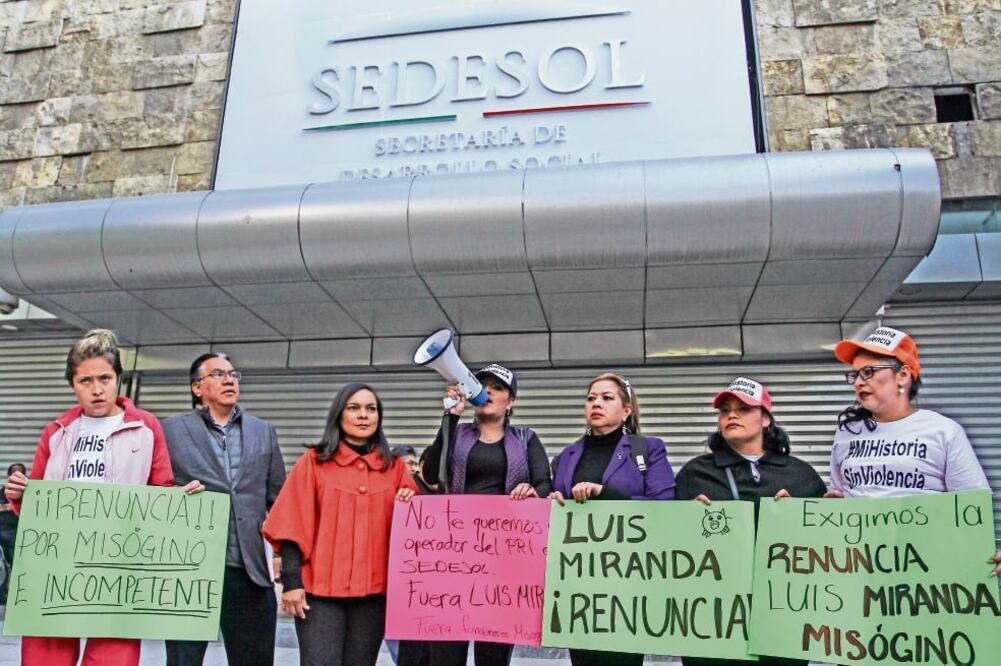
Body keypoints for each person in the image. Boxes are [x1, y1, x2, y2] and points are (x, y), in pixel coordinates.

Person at [3, 329, 198, 666]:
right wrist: (18, 494)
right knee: (44, 658)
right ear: (73, 384)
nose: (96, 389)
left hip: (120, 567)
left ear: (118, 378)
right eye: (85, 380)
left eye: (105, 378)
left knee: (113, 658)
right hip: (55, 567)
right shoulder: (56, 432)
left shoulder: (147, 428)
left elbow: (160, 491)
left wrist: (180, 502)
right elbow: (35, 504)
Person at [263, 383, 417, 666]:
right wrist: (292, 584)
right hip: (319, 596)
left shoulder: (395, 468)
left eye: (371, 409)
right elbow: (291, 525)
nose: (363, 415)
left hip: (375, 596)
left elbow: (417, 531)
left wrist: (409, 500)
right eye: (354, 408)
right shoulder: (313, 462)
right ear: (339, 415)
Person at [674, 377, 825, 666]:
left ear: (766, 419)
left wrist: (805, 518)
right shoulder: (694, 474)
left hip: (783, 622)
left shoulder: (801, 475)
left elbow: (824, 550)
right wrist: (686, 521)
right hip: (715, 623)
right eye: (725, 410)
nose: (731, 415)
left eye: (743, 408)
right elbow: (669, 546)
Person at [828, 326, 1001, 575]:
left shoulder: (943, 431)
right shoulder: (846, 434)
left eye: (868, 372)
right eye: (854, 375)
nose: (858, 382)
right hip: (860, 569)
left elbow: (972, 507)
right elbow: (839, 497)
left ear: (903, 375)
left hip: (925, 572)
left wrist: (982, 547)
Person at [421, 363, 552, 666]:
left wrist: (532, 493)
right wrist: (449, 419)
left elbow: (545, 482)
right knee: (445, 652)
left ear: (512, 401)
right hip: (454, 556)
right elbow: (430, 473)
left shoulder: (525, 438)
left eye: (498, 387)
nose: (488, 391)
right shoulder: (458, 433)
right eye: (483, 386)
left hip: (503, 562)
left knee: (493, 654)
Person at [162, 352, 287, 666]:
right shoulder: (169, 431)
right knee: (182, 661)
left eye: (233, 374)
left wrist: (285, 560)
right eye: (218, 374)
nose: (229, 379)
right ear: (196, 388)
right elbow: (151, 489)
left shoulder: (263, 432)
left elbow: (281, 502)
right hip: (189, 571)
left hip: (249, 572)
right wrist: (173, 495)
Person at [549, 372, 676, 666]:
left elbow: (665, 506)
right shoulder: (566, 456)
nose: (596, 403)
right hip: (578, 583)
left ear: (627, 410)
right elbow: (559, 507)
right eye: (591, 398)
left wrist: (605, 493)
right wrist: (552, 502)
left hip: (628, 580)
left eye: (607, 398)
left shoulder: (648, 449)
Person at [0, 462, 26, 603]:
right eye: (14, 473)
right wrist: (9, 506)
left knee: (16, 564)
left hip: (17, 534)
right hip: (2, 533)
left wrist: (6, 506)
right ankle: (3, 594)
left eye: (21, 473)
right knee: (2, 566)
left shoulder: (27, 492)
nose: (17, 476)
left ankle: (18, 593)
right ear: (8, 476)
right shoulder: (2, 491)